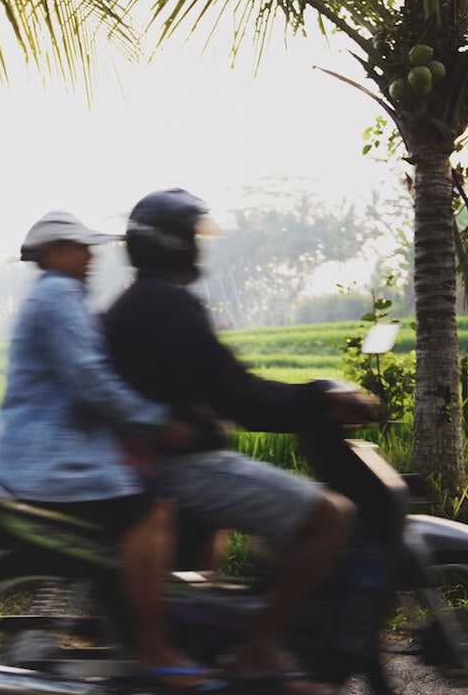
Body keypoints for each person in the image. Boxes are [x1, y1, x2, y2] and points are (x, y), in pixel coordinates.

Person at [103, 189, 381, 695]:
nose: (200, 250)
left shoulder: (134, 303)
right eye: (192, 239)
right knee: (332, 515)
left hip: (154, 464)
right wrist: (319, 399)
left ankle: (227, 642)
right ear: (174, 245)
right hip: (182, 467)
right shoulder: (169, 304)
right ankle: (259, 651)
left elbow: (212, 388)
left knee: (248, 531)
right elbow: (235, 393)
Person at [0, 211, 222, 692]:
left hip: (48, 458)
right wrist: (157, 420)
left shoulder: (58, 298)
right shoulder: (58, 298)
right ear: (54, 253)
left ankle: (143, 624)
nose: (90, 256)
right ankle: (153, 646)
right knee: (151, 510)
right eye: (80, 248)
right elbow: (91, 381)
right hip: (52, 463)